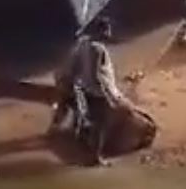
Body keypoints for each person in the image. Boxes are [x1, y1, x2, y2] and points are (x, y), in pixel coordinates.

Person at [50, 18, 158, 166]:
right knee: (100, 126)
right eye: (106, 30)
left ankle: (66, 133)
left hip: (82, 87)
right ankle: (95, 158)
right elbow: (97, 76)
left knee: (78, 111)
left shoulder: (83, 43)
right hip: (96, 92)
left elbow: (75, 66)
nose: (109, 33)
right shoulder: (97, 49)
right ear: (99, 31)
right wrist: (109, 97)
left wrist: (69, 83)